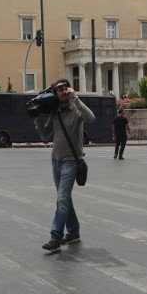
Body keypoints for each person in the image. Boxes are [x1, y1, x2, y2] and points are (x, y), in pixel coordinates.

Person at [34, 79, 95, 251]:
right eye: (58, 89)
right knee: (65, 198)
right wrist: (37, 119)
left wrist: (75, 97)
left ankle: (56, 237)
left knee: (62, 199)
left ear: (68, 90)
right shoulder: (55, 113)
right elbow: (46, 135)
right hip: (56, 161)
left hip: (71, 162)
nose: (62, 91)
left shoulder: (76, 111)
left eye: (64, 88)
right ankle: (74, 232)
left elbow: (91, 117)